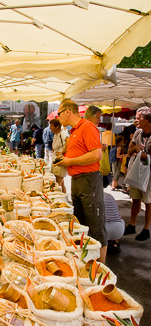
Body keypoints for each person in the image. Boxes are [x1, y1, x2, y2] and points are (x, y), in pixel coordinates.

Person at [55, 99, 107, 263]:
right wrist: (65, 158)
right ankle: (86, 262)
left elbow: (96, 155)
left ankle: (101, 269)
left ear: (68, 112)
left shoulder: (87, 127)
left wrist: (69, 161)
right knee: (81, 224)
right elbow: (81, 153)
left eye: (59, 114)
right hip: (77, 181)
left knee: (96, 225)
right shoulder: (74, 130)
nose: (58, 118)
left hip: (89, 181)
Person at [124, 106, 151, 241]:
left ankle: (146, 229)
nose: (136, 120)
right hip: (136, 171)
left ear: (148, 120)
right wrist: (135, 147)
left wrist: (146, 156)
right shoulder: (137, 133)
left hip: (149, 174)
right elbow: (129, 151)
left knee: (148, 201)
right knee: (135, 199)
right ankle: (132, 224)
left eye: (139, 118)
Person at [50, 118, 69, 193]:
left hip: (60, 160)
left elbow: (69, 141)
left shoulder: (63, 133)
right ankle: (64, 197)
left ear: (57, 126)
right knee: (61, 182)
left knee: (58, 183)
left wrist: (62, 152)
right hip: (55, 159)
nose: (50, 127)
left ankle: (60, 198)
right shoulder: (56, 134)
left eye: (51, 125)